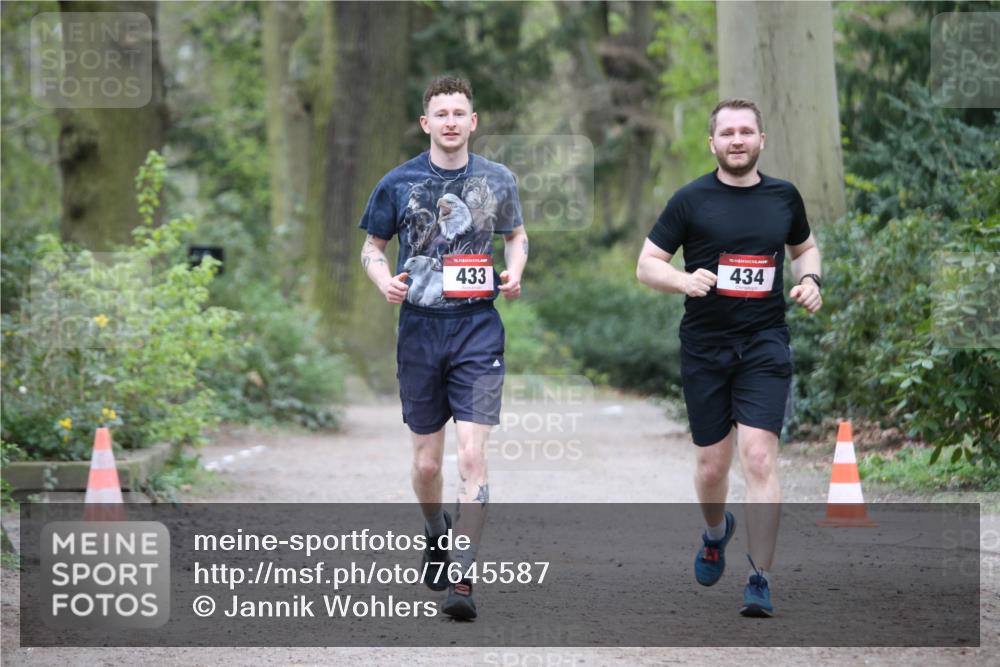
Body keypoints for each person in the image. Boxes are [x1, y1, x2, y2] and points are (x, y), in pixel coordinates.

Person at [636, 98, 822, 617]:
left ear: (761, 140)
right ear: (712, 143)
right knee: (711, 464)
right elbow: (647, 265)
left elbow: (804, 248)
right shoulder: (690, 200)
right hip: (705, 347)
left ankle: (759, 577)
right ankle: (716, 533)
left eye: (746, 132)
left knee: (759, 457)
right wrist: (683, 280)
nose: (737, 140)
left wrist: (810, 279)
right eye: (727, 133)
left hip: (764, 343)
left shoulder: (784, 197)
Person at [359, 75, 528, 621]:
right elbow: (371, 248)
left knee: (473, 456)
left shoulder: (498, 180)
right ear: (426, 122)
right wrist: (383, 280)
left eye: (461, 112)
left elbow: (516, 236)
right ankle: (436, 529)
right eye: (442, 113)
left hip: (479, 328)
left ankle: (464, 578)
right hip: (420, 331)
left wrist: (515, 272)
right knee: (428, 465)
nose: (452, 121)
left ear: (473, 122)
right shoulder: (398, 182)